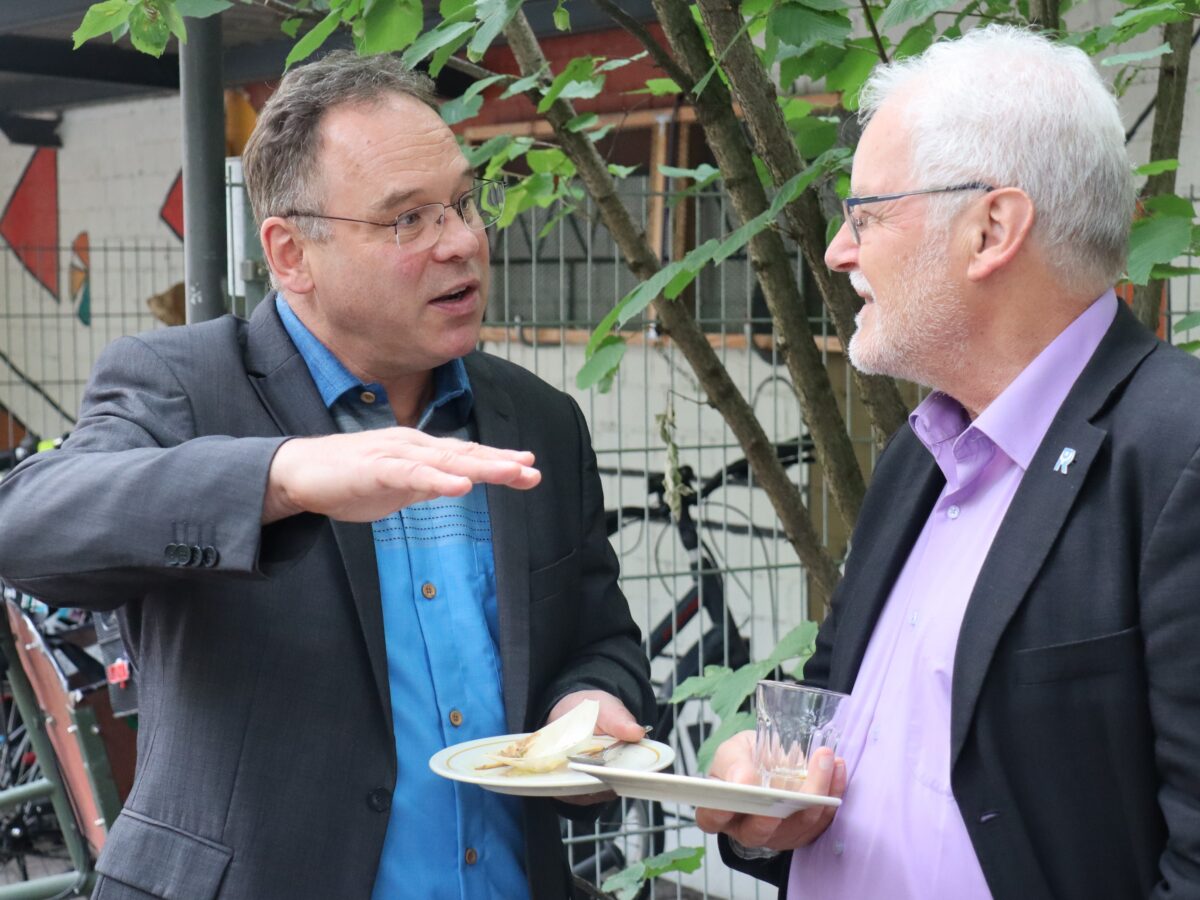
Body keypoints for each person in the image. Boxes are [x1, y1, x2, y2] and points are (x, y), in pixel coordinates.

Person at [0, 51, 654, 900]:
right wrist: (282, 475)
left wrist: (588, 706)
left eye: (461, 202)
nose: (461, 241)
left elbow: (599, 638)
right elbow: (29, 529)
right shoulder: (184, 385)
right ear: (290, 252)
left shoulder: (537, 422)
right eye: (406, 220)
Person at [699, 25, 1200, 899]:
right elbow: (835, 733)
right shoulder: (918, 458)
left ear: (991, 229)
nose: (838, 251)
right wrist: (766, 793)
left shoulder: (1177, 452)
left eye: (869, 215)